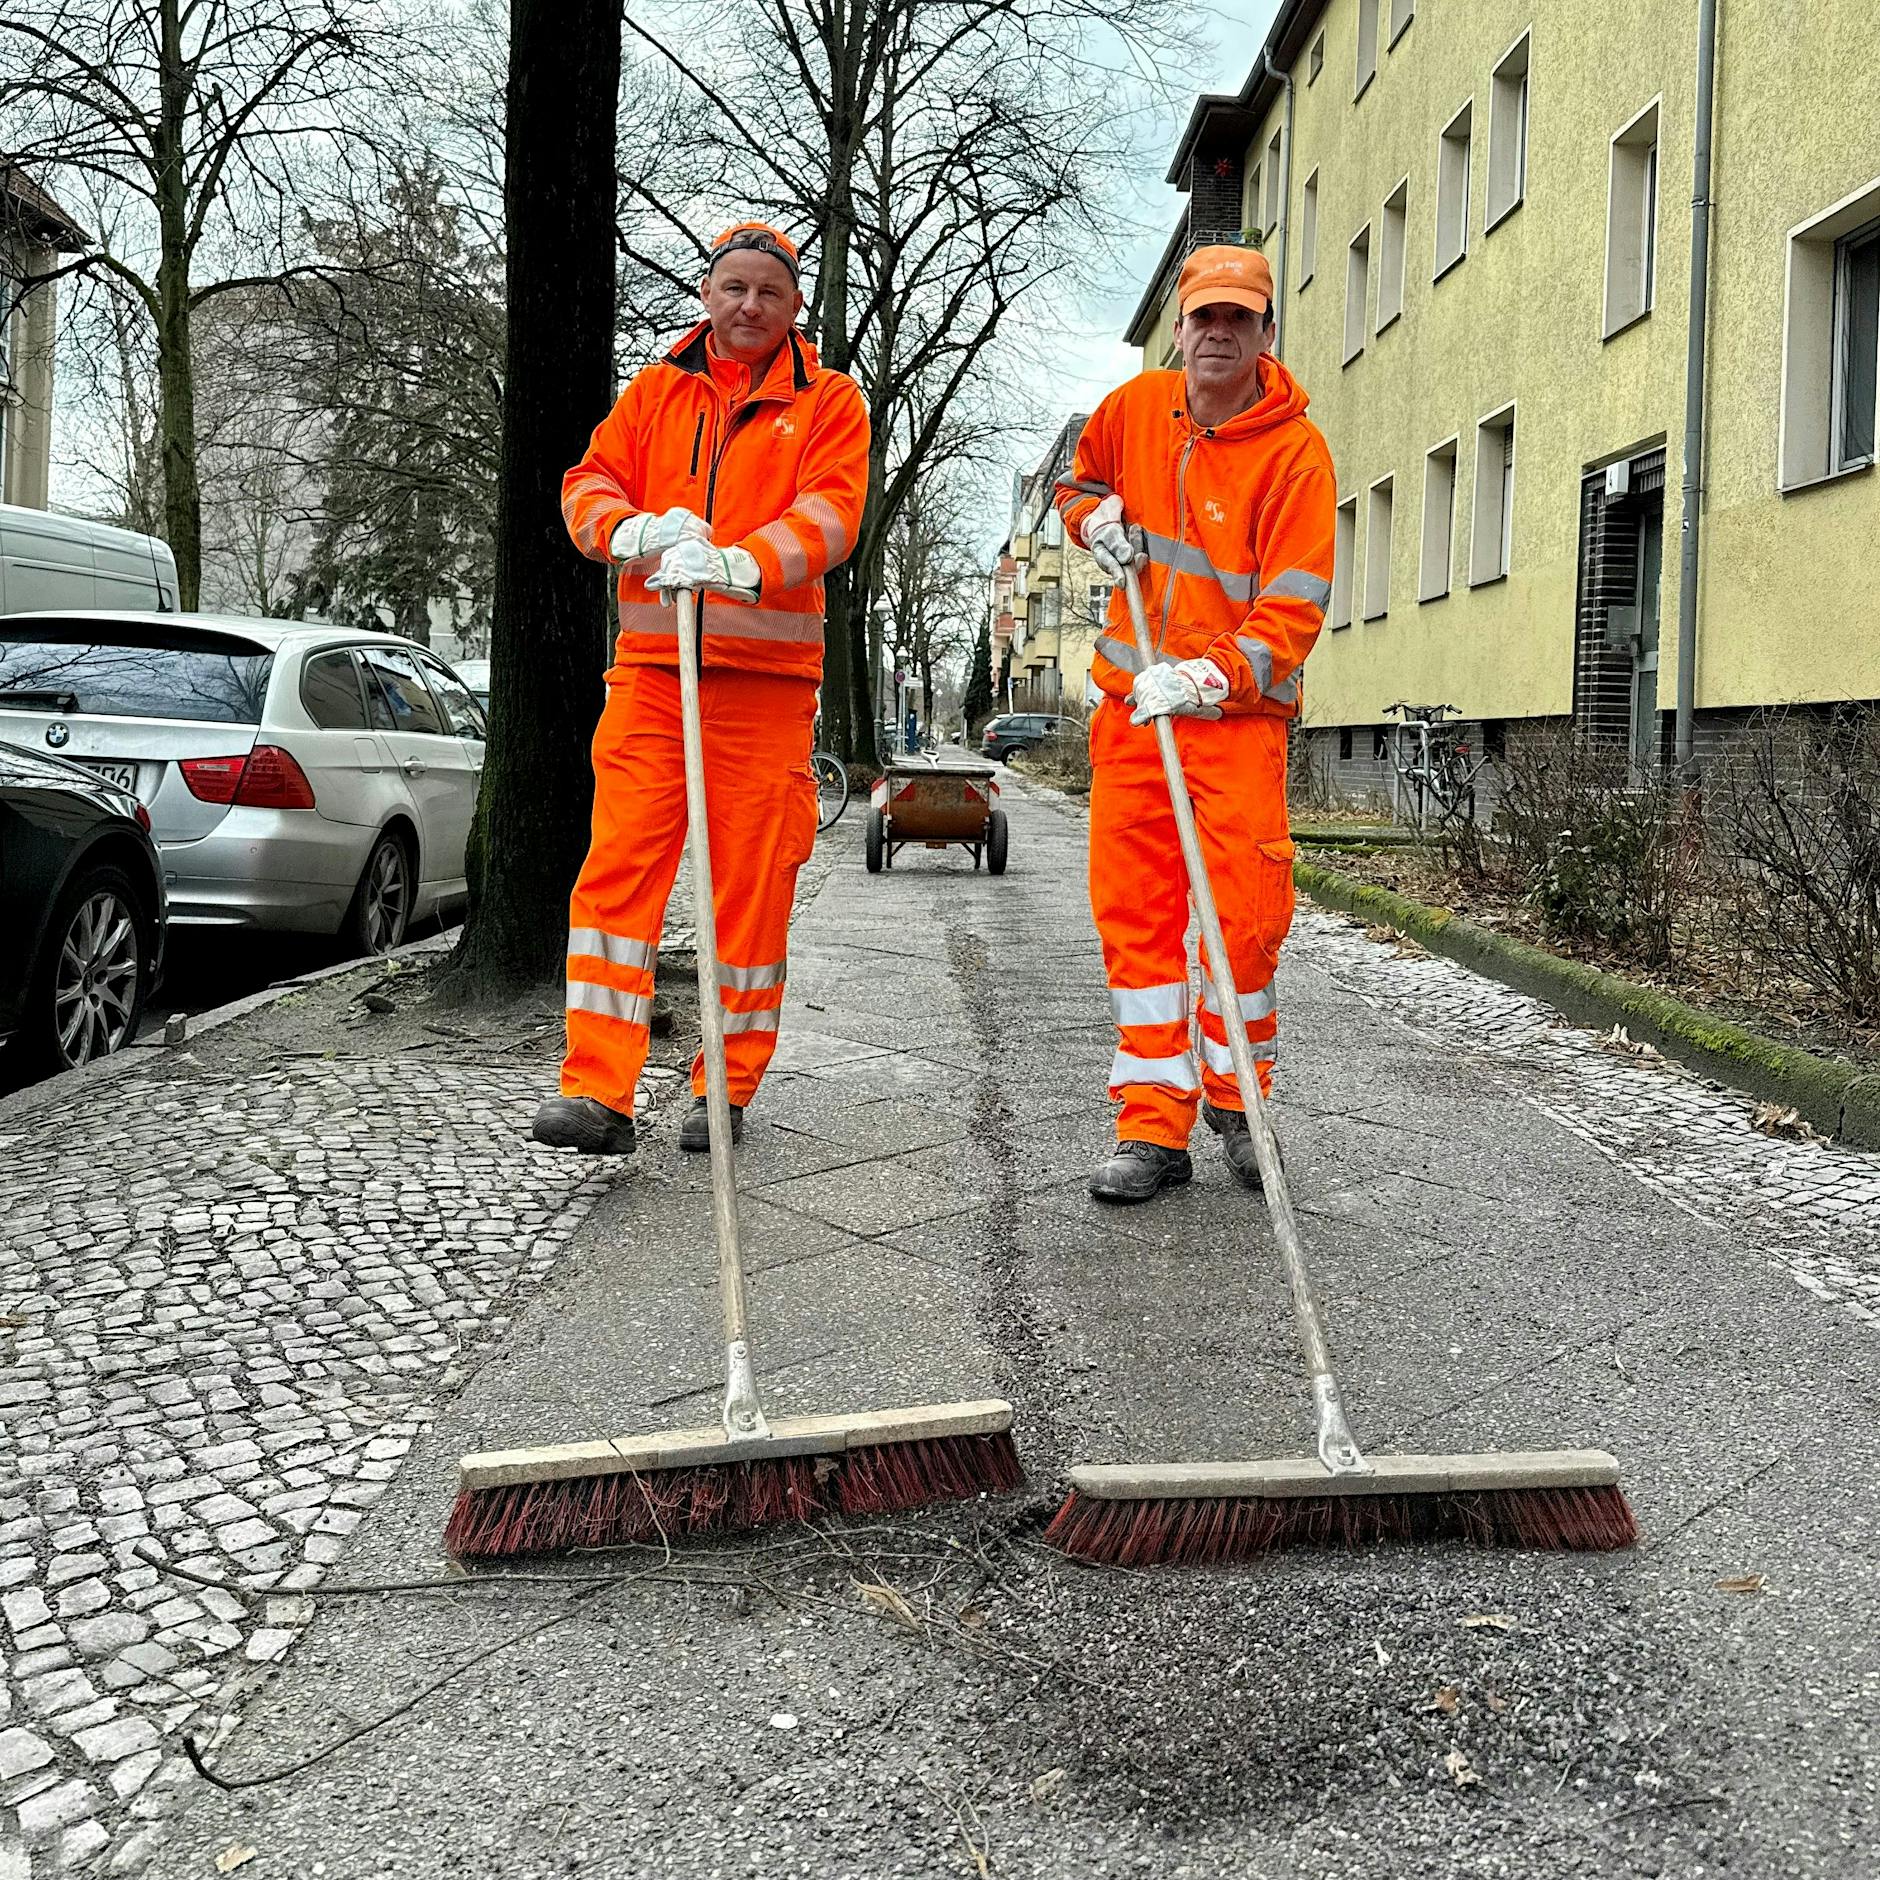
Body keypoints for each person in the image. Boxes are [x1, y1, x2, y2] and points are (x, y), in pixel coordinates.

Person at [533, 222, 870, 1157]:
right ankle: (598, 1089)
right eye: (733, 288)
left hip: (763, 692)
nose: (749, 305)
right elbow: (585, 484)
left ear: (794, 305)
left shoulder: (831, 402)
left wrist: (740, 561)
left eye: (768, 290)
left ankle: (723, 1084)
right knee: (617, 878)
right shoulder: (655, 392)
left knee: (749, 899)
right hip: (648, 680)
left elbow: (832, 516)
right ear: (707, 294)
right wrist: (632, 532)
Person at [1054, 244, 1335, 1203]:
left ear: (1264, 332)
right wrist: (1087, 519)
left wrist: (1209, 678)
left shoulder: (1295, 454)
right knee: (1137, 923)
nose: (1218, 332)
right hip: (1133, 718)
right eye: (1203, 316)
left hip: (1234, 727)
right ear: (1180, 327)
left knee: (1245, 927)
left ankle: (1240, 1101)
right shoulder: (1134, 412)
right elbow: (1079, 482)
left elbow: (1292, 614)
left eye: (1238, 319)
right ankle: (1150, 1127)